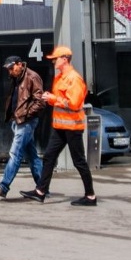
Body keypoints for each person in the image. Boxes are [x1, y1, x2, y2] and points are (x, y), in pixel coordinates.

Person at [22, 45, 97, 206]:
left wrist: (53, 99)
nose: (53, 61)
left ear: (64, 59)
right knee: (49, 156)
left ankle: (90, 196)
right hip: (61, 127)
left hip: (73, 127)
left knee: (79, 161)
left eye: (55, 59)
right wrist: (51, 97)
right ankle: (40, 191)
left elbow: (75, 104)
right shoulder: (60, 78)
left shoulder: (73, 79)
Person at [0, 55, 46, 198]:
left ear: (20, 64)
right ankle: (43, 188)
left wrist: (25, 114)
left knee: (15, 154)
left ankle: (3, 186)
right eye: (8, 69)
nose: (10, 72)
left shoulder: (32, 77)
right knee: (32, 156)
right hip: (18, 121)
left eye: (11, 68)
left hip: (26, 122)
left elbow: (41, 102)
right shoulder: (16, 77)